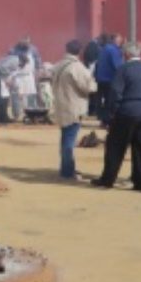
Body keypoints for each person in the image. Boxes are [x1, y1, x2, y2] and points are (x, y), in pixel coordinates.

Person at [92, 43, 141, 191]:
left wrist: (111, 114)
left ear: (126, 55)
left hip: (126, 111)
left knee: (115, 147)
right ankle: (140, 183)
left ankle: (108, 179)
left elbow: (115, 93)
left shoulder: (123, 69)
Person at [51, 40, 97, 180]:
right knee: (69, 142)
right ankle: (67, 172)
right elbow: (89, 87)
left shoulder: (58, 65)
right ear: (80, 51)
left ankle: (66, 168)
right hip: (73, 108)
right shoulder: (77, 67)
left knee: (65, 139)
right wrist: (94, 84)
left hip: (61, 106)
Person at [94, 33, 124, 127]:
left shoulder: (103, 49)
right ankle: (108, 121)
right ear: (115, 40)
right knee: (110, 101)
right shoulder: (114, 50)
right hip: (110, 79)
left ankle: (103, 120)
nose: (120, 42)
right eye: (119, 40)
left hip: (101, 79)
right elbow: (118, 66)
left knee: (102, 101)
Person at [0, 53, 21, 124]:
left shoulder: (13, 59)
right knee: (3, 98)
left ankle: (0, 117)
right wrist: (6, 79)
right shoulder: (15, 61)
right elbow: (3, 68)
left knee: (3, 97)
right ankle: (2, 118)